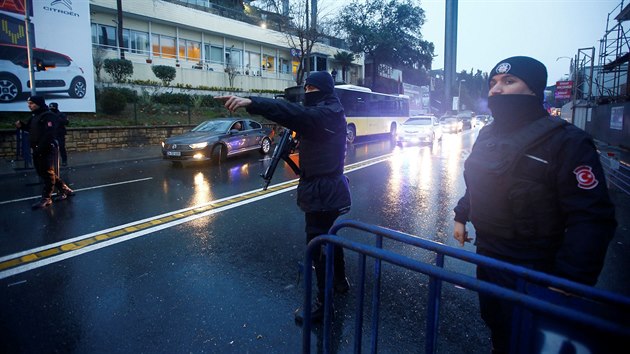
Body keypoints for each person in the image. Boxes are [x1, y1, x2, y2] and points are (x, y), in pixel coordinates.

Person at [452, 56, 617, 353]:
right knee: (499, 328)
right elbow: (478, 181)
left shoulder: (567, 142)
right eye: (493, 83)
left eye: (509, 81)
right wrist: (461, 216)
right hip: (489, 259)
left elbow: (591, 218)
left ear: (534, 91)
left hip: (537, 269)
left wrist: (569, 280)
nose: (497, 90)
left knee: (531, 340)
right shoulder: (487, 134)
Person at [216, 71, 352, 323]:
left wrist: (252, 102)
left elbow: (292, 113)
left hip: (323, 191)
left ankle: (324, 306)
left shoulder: (326, 113)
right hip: (326, 188)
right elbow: (308, 131)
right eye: (306, 87)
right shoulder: (328, 110)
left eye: (311, 88)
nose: (307, 92)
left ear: (322, 89)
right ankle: (341, 282)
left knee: (317, 245)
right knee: (328, 236)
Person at [16, 96, 74, 210]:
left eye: (32, 103)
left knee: (47, 172)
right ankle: (65, 189)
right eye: (29, 103)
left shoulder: (48, 116)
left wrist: (41, 147)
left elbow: (49, 133)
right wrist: (22, 126)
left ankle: (46, 198)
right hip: (37, 148)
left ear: (38, 103)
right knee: (45, 172)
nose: (29, 105)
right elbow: (31, 129)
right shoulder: (34, 116)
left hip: (46, 148)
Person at [48, 102, 69, 166]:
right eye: (50, 108)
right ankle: (52, 161)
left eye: (53, 108)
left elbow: (66, 122)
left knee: (62, 147)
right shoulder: (48, 115)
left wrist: (57, 117)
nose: (51, 109)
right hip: (51, 134)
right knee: (50, 148)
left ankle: (64, 160)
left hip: (60, 133)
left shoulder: (61, 115)